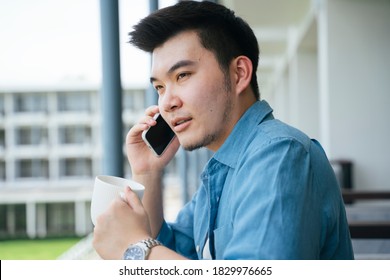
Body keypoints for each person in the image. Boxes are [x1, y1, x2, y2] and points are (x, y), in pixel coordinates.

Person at [93, 0, 354, 260]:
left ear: (239, 73)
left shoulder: (279, 154)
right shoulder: (223, 169)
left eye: (182, 75)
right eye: (160, 87)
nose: (167, 103)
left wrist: (135, 249)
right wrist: (147, 172)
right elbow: (172, 249)